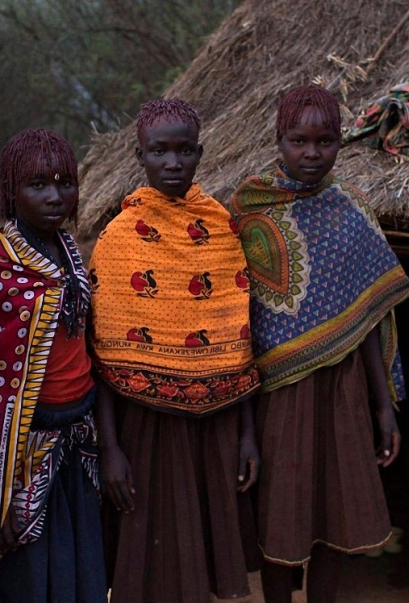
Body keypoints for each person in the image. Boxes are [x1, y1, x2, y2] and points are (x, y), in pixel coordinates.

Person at [229, 84, 409, 603]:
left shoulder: (352, 210)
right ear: (279, 139)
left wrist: (384, 409)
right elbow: (235, 325)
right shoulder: (248, 211)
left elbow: (371, 316)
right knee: (279, 511)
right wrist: (242, 424)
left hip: (344, 392)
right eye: (299, 140)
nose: (312, 153)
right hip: (276, 396)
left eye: (325, 141)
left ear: (340, 142)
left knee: (336, 511)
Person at [90, 98, 261, 603]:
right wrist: (110, 447)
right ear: (140, 156)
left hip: (216, 425)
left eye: (184, 151)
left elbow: (239, 339)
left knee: (201, 561)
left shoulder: (222, 230)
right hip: (143, 429)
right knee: (147, 563)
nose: (172, 163)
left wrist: (248, 435)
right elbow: (101, 356)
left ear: (200, 153)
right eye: (159, 152)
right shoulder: (119, 238)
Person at [0, 128, 107, 602]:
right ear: (10, 191)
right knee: (31, 576)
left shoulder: (69, 254)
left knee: (80, 567)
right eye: (37, 185)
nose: (55, 196)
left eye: (65, 183)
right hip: (22, 457)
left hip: (77, 439)